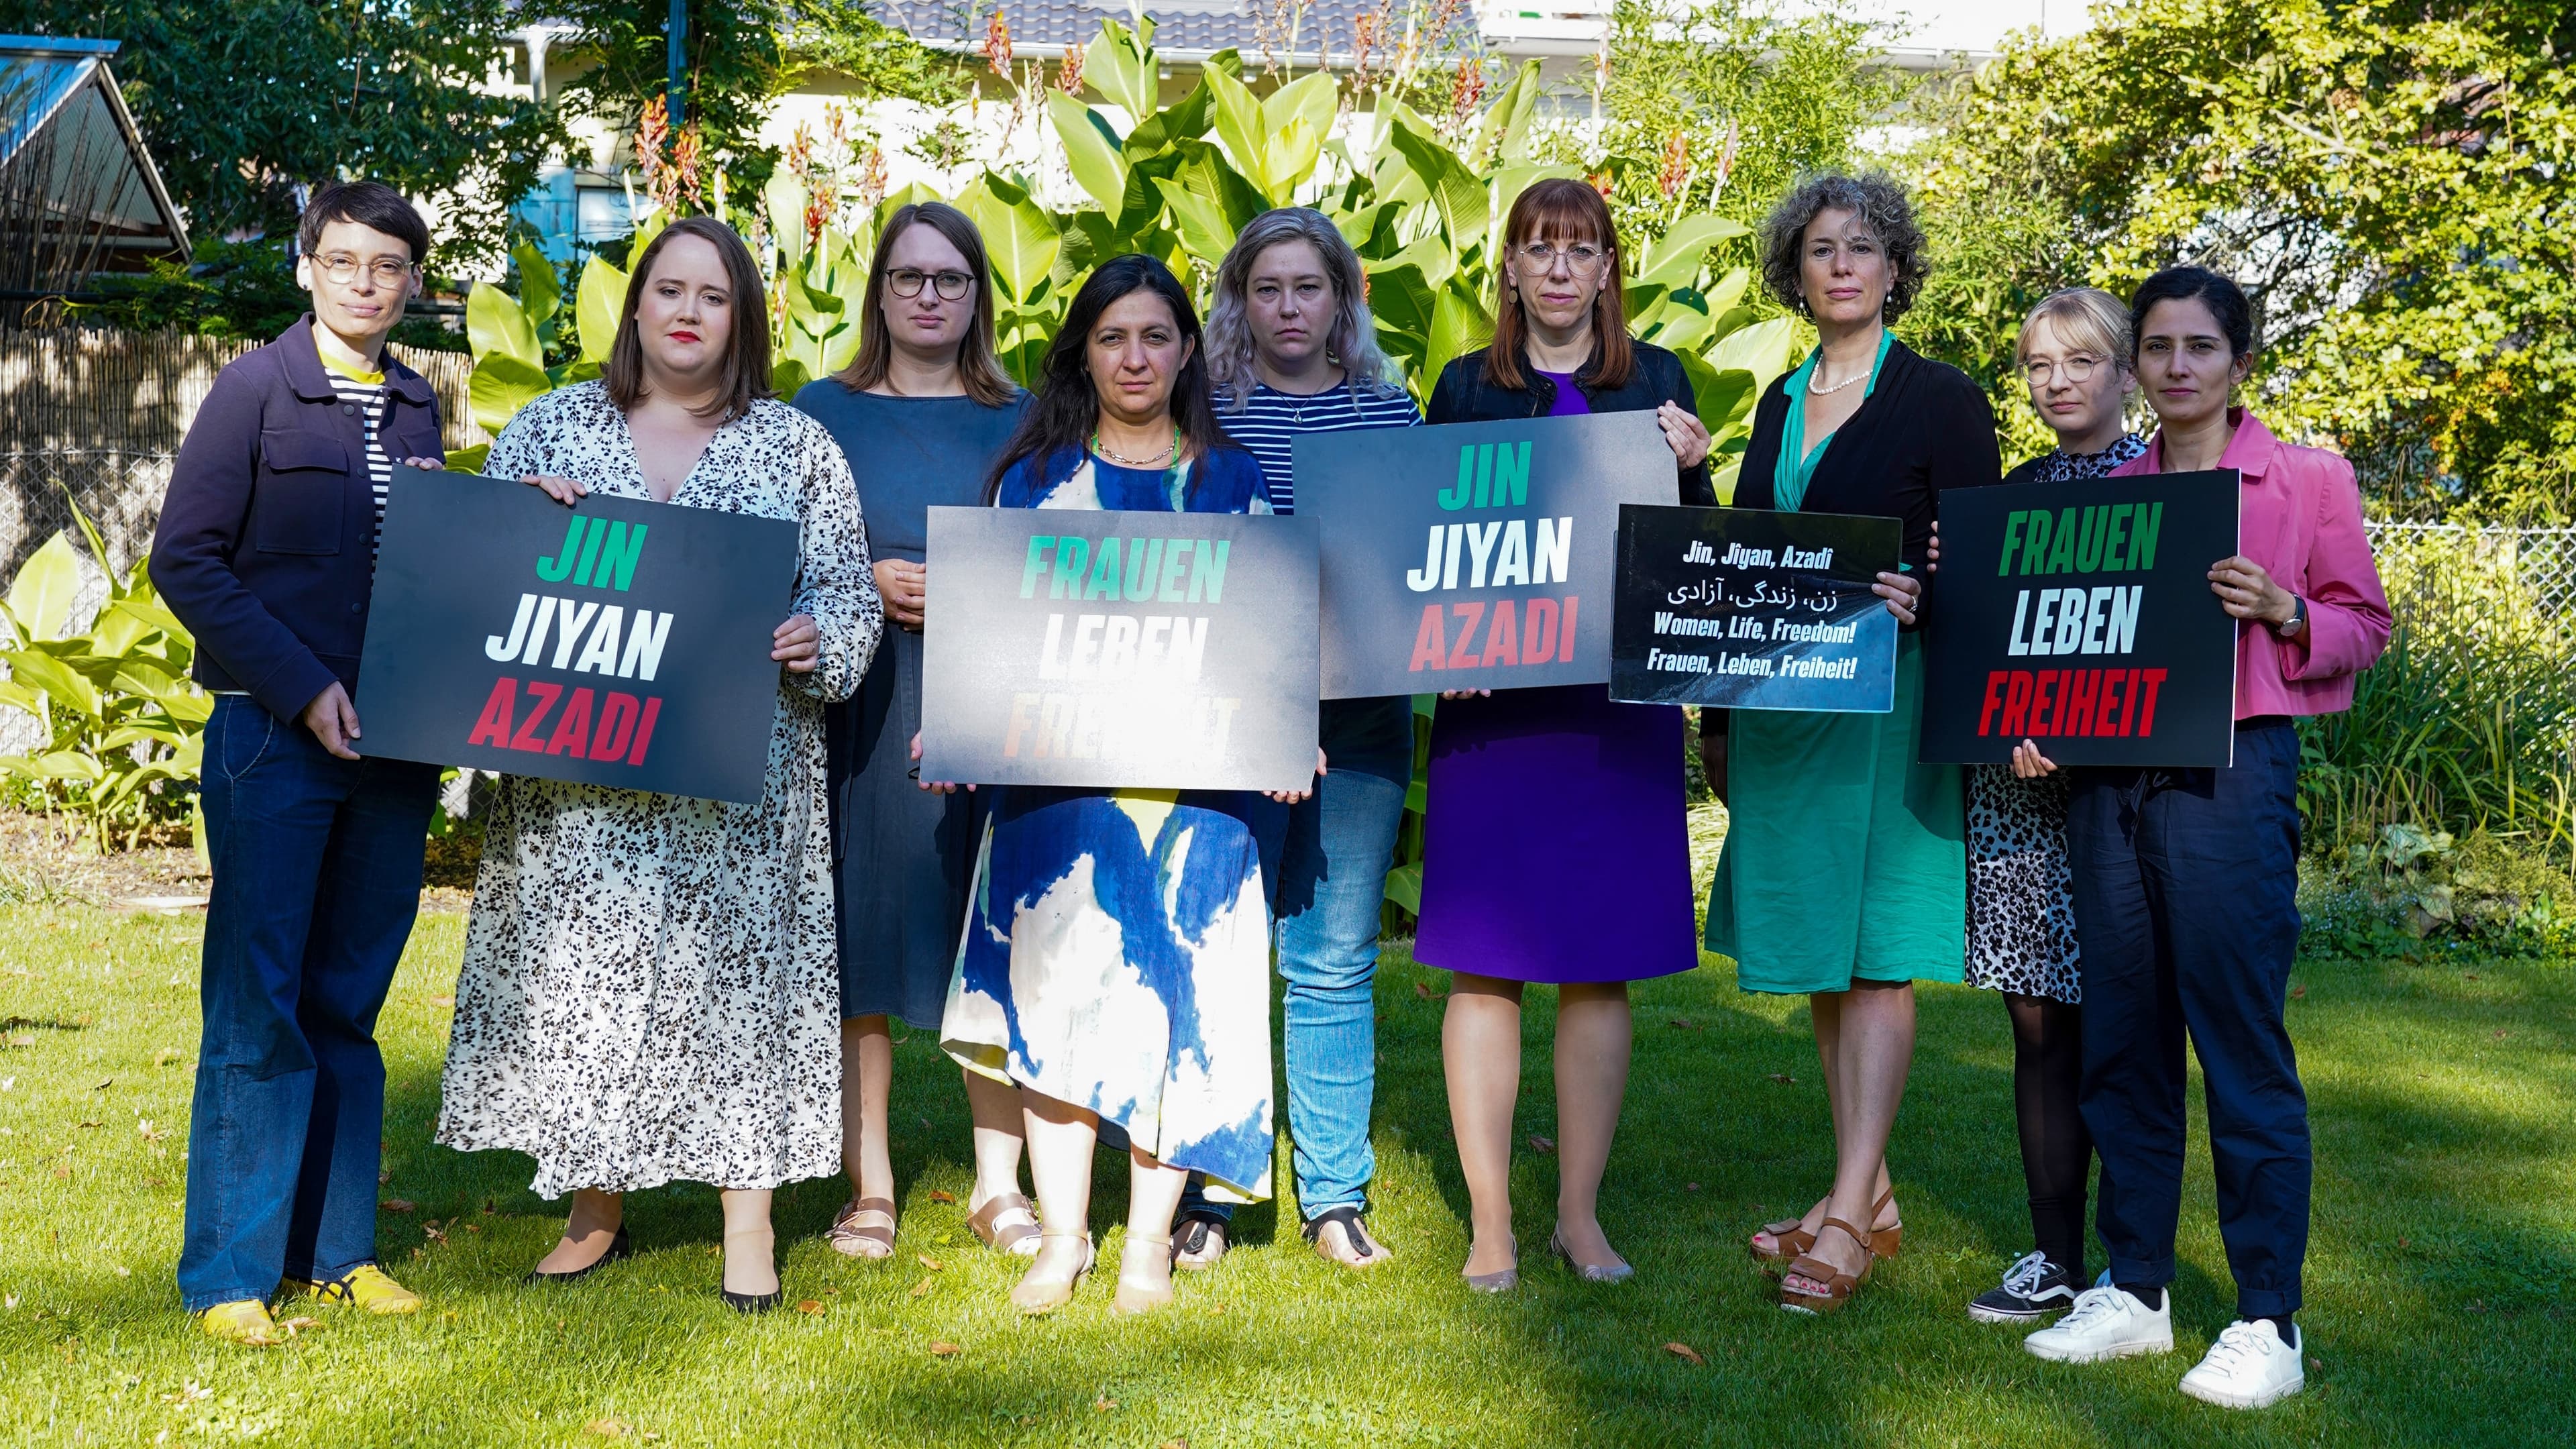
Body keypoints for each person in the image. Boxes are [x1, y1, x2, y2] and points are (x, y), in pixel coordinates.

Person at [434, 217, 881, 1313]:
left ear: (742, 320)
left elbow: (849, 588)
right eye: (669, 290)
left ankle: (748, 1221)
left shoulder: (794, 446)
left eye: (714, 296)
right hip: (582, 787)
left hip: (741, 780)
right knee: (585, 981)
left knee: (740, 988)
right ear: (636, 307)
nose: (688, 312)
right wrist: (513, 524)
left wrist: (822, 635)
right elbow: (487, 586)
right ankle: (594, 1209)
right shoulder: (549, 429)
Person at [2019, 266, 2390, 1410]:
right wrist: (2035, 725)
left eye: (2201, 348)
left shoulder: (2307, 479)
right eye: (2162, 348)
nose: (2178, 367)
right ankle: (2134, 1291)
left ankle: (2267, 1319)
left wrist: (2286, 612)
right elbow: (2072, 640)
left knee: (2238, 1045)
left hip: (2233, 779)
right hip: (2108, 787)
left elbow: (2365, 625)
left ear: (2239, 361)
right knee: (2123, 1041)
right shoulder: (2112, 490)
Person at [930, 254, 1310, 1316]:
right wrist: (955, 729)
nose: (1134, 357)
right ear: (1082, 354)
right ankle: (1062, 1238)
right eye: (1112, 338)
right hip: (1061, 796)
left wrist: (1289, 739)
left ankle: (1146, 1241)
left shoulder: (1233, 483)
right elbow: (988, 640)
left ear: (1187, 350)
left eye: (1154, 336)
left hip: (1198, 802)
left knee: (1175, 1012)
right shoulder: (1034, 482)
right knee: (1053, 1012)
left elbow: (1269, 644)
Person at [152, 181, 451, 1345]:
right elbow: (188, 560)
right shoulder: (255, 391)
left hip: (393, 744)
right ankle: (230, 1272)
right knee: (258, 999)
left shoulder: (419, 405)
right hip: (277, 737)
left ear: (413, 282)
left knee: (348, 999)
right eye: (344, 262)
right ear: (306, 269)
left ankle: (338, 1251)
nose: (366, 282)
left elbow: (432, 564)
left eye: (388, 266)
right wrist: (302, 684)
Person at [1417, 176, 1713, 1292]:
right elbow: (1429, 546)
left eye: (1578, 250)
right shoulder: (1462, 389)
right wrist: (1448, 651)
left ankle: (1578, 1218)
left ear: (1605, 272)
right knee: (1483, 968)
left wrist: (1691, 467)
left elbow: (1693, 555)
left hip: (1612, 713)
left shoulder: (1658, 383)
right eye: (1537, 249)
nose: (1556, 269)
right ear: (1509, 270)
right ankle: (1492, 1222)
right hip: (1495, 715)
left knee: (1598, 968)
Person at [1704, 172, 1990, 1313]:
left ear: (1894, 269)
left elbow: (1980, 553)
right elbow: (1743, 560)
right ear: (1797, 271)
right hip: (1788, 710)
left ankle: (1850, 1218)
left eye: (1863, 247)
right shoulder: (1777, 401)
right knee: (1823, 948)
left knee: (1875, 948)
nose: (1841, 265)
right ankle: (1861, 1196)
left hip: (1891, 703)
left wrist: (1927, 591)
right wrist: (1718, 718)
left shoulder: (1940, 397)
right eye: (1821, 249)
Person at [1157, 207, 1422, 1272]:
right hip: (1224, 714)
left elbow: (1418, 562)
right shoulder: (1206, 412)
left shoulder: (1389, 414)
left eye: (1309, 288)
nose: (1289, 308)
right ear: (1239, 302)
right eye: (1267, 290)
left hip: (1358, 716)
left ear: (1343, 300)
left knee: (1333, 958)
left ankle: (1333, 1195)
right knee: (1219, 951)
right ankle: (1214, 1191)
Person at [790, 202, 1035, 1263]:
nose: (929, 296)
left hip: (995, 703)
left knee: (1003, 937)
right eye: (909, 277)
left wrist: (975, 592)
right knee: (868, 937)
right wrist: (859, 583)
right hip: (870, 705)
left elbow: (1061, 560)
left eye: (951, 279)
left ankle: (999, 1184)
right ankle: (872, 1186)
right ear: (879, 291)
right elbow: (777, 556)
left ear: (978, 296)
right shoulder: (819, 412)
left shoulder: (1025, 417)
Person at [1962, 288, 2146, 1324]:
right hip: (2016, 794)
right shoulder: (2012, 495)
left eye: (2081, 361)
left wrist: (2087, 736)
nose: (2059, 382)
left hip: (2121, 800)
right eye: (2040, 365)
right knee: (2037, 1026)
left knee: (2121, 1025)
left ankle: (2131, 1261)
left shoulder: (2166, 485)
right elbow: (1990, 638)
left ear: (2124, 373)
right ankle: (2053, 1256)